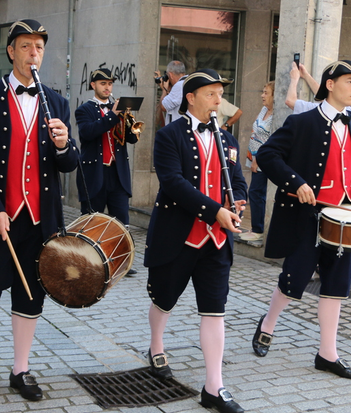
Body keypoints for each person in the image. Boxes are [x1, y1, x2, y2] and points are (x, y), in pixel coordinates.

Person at [0, 19, 79, 401]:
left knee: (31, 292)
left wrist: (63, 146)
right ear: (11, 51)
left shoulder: (57, 102)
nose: (33, 54)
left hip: (40, 218)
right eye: (25, 46)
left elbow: (69, 164)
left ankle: (20, 369)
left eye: (39, 47)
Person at [252, 60, 351, 380]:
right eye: (350, 81)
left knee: (337, 284)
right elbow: (267, 155)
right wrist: (296, 182)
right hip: (307, 216)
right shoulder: (303, 121)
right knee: (294, 278)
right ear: (330, 84)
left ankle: (327, 354)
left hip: (344, 215)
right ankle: (268, 324)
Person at [144, 69, 247, 413]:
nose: (220, 101)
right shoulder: (168, 135)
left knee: (214, 309)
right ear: (190, 97)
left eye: (221, 94)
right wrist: (215, 210)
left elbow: (237, 179)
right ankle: (157, 345)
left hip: (217, 241)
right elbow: (172, 182)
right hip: (178, 236)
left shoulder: (228, 139)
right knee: (164, 297)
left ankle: (214, 387)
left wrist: (239, 202)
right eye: (212, 94)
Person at [75, 68, 139, 275]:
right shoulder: (84, 110)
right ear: (93, 85)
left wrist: (130, 127)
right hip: (95, 172)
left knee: (121, 220)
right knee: (92, 219)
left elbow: (129, 139)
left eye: (110, 84)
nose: (107, 87)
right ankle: (88, 261)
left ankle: (122, 262)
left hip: (117, 173)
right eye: (103, 84)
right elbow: (88, 132)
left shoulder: (117, 109)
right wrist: (113, 115)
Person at [239, 81, 274, 243]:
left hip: (263, 160)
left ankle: (258, 229)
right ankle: (256, 228)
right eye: (263, 91)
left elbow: (270, 141)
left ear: (275, 96)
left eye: (266, 93)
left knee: (255, 192)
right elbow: (256, 130)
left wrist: (257, 160)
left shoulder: (276, 116)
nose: (262, 95)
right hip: (253, 156)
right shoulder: (264, 110)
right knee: (256, 192)